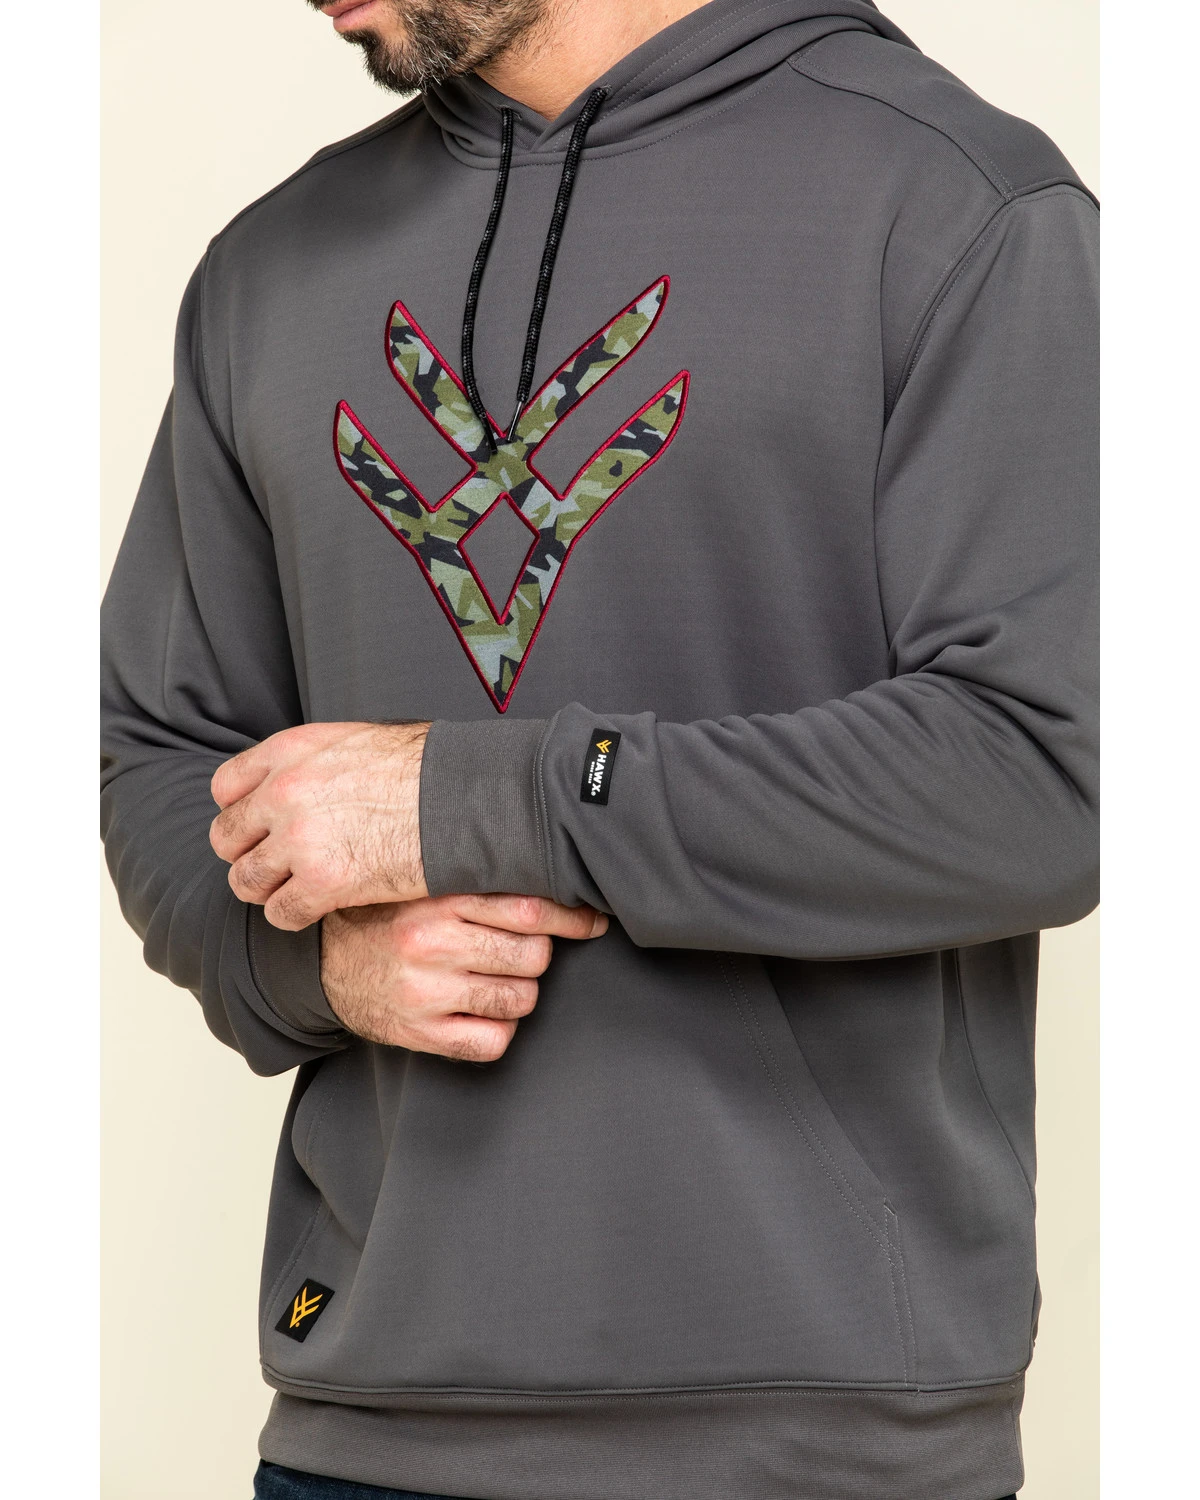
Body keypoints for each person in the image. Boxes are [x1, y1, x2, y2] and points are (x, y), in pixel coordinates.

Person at [100, 0, 1097, 1496]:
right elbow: (160, 753)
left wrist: (481, 797)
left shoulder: (959, 206)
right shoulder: (274, 265)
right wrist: (314, 967)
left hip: (816, 1442)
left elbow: (1046, 775)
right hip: (369, 1420)